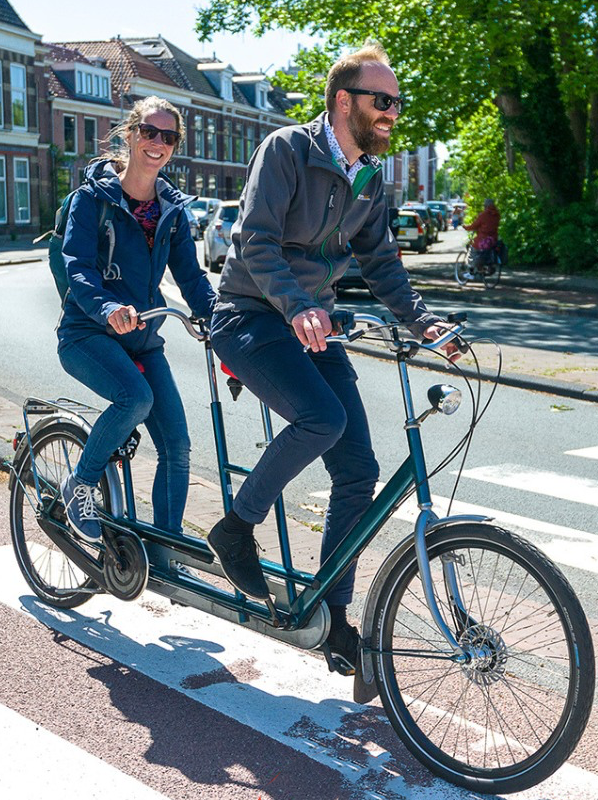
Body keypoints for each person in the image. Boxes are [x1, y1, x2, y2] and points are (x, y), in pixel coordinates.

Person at [206, 42, 454, 676]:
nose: (393, 110)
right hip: (252, 317)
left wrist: (425, 323)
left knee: (358, 469)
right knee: (322, 419)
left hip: (315, 326)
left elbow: (382, 264)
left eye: (397, 101)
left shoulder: (371, 176)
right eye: (383, 100)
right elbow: (254, 240)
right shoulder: (288, 150)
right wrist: (296, 305)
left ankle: (333, 616)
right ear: (344, 102)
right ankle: (236, 526)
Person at [57, 97, 216, 543]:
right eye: (150, 132)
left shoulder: (172, 210)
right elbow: (78, 266)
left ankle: (166, 547)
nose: (158, 143)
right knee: (135, 399)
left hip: (143, 339)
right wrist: (107, 308)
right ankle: (81, 483)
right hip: (87, 334)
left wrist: (218, 315)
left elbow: (190, 275)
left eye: (169, 137)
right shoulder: (92, 200)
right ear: (130, 134)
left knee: (178, 447)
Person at [463, 198, 500, 274]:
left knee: (472, 250)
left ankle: (471, 272)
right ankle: (483, 268)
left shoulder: (483, 215)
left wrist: (466, 227)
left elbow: (474, 225)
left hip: (483, 240)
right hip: (493, 240)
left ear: (485, 206)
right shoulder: (497, 215)